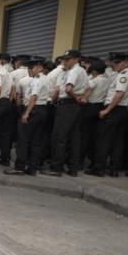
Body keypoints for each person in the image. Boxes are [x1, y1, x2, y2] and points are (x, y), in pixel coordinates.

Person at [43, 49, 88, 177]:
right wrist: (81, 98)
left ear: (76, 59)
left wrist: (76, 98)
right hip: (74, 106)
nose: (64, 62)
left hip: (67, 105)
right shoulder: (81, 71)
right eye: (64, 59)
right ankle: (73, 168)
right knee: (74, 138)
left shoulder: (74, 71)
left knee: (59, 137)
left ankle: (56, 168)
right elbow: (88, 87)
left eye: (67, 60)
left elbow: (68, 89)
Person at [88, 53, 128, 177]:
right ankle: (114, 168)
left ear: (126, 63)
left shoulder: (123, 76)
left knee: (103, 139)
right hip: (123, 110)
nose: (114, 65)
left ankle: (99, 168)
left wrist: (107, 110)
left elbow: (119, 94)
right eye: (114, 62)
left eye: (117, 62)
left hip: (114, 109)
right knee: (118, 141)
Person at [5, 57, 50, 176]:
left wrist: (26, 113)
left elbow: (33, 97)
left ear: (39, 67)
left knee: (23, 140)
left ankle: (19, 168)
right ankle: (32, 168)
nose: (29, 71)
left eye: (31, 68)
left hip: (33, 110)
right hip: (42, 110)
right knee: (36, 141)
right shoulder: (46, 78)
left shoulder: (37, 80)